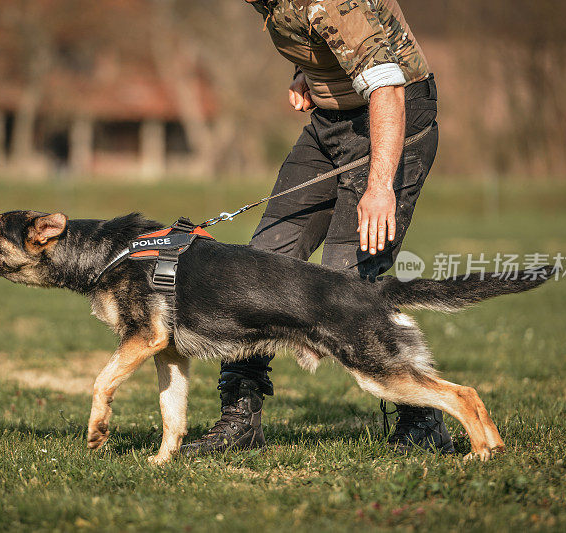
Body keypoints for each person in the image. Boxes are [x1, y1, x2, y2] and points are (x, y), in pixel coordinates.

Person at [181, 0, 454, 456]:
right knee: (255, 268)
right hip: (330, 125)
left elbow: (386, 84)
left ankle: (424, 419)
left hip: (391, 122)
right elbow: (326, 41)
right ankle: (240, 422)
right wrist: (313, 76)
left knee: (345, 289)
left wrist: (380, 187)